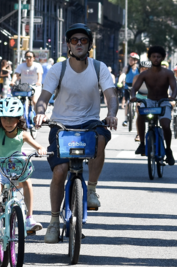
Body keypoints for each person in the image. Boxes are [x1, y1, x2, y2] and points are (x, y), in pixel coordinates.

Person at [34, 23, 118, 244]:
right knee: (60, 170)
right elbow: (43, 98)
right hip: (61, 124)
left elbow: (111, 95)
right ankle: (53, 221)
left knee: (101, 136)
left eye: (83, 40)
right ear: (68, 45)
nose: (79, 44)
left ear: (89, 44)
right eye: (74, 40)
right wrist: (41, 113)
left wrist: (111, 113)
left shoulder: (99, 67)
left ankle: (91, 189)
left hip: (89, 122)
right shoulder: (58, 69)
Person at [0, 97, 47, 252]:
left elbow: (38, 146)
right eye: (4, 118)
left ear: (18, 119)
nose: (7, 122)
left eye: (12, 118)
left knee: (28, 182)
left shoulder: (22, 134)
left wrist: (41, 149)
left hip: (17, 170)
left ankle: (29, 218)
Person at [128, 46, 177, 164]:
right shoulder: (145, 74)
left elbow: (174, 88)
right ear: (150, 57)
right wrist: (133, 96)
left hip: (163, 101)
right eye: (154, 56)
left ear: (162, 58)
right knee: (140, 115)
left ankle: (168, 149)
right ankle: (142, 144)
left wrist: (173, 96)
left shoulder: (168, 73)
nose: (156, 59)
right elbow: (134, 88)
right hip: (149, 101)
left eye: (158, 57)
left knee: (165, 125)